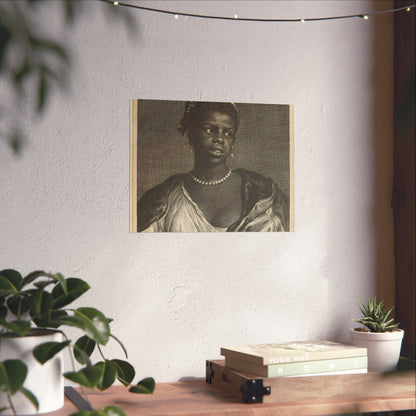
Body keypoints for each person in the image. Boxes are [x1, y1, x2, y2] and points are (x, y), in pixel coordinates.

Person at [137, 101, 289, 232]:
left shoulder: (263, 192)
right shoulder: (163, 199)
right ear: (191, 135)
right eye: (210, 130)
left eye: (228, 133)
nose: (220, 139)